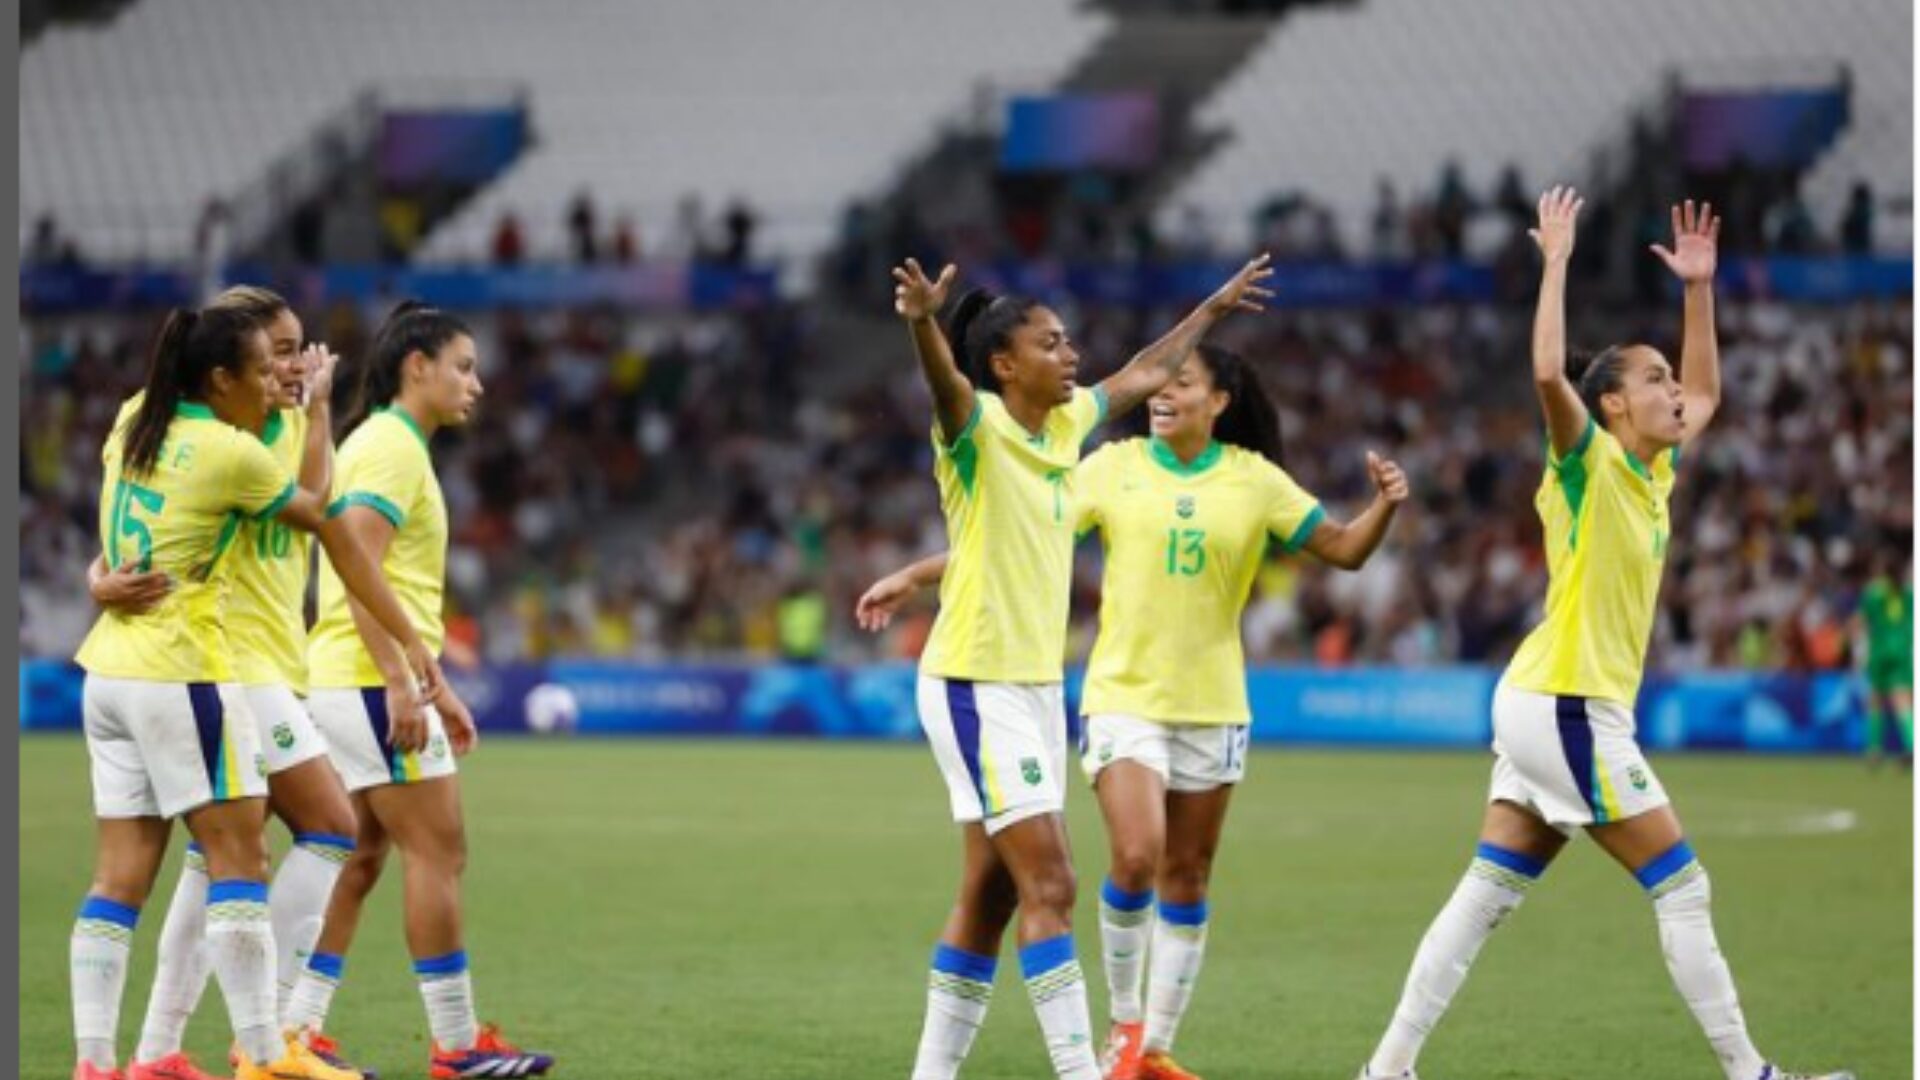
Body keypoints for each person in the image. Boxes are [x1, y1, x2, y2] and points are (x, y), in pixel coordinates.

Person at [1353, 189, 1853, 1080]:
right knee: (1684, 885)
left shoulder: (1652, 474)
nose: (1675, 392)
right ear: (1613, 407)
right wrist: (1555, 263)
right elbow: (1549, 375)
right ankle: (1753, 1075)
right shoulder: (1590, 463)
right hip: (1569, 706)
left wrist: (1698, 291)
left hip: (1546, 700)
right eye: (1653, 379)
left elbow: (1708, 391)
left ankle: (1386, 1069)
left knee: (1486, 892)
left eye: (1668, 377)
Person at [858, 342, 1409, 1080]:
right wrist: (917, 576)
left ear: (1219, 402)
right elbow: (1019, 541)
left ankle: (1152, 1050)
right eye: (1161, 383)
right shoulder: (1111, 467)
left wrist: (1384, 506)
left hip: (1215, 705)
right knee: (1138, 854)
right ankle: (1121, 1030)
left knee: (1189, 874)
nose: (1162, 393)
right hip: (1122, 699)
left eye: (1183, 383)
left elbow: (1343, 549)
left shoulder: (1255, 480)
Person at [884, 253, 1273, 1080]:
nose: (1072, 356)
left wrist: (1213, 307)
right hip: (973, 684)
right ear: (1004, 365)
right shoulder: (973, 428)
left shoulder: (1064, 428)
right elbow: (943, 387)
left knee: (991, 896)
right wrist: (922, 320)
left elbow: (1146, 371)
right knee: (1052, 884)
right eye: (1053, 344)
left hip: (1029, 690)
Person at [70, 303, 443, 1080]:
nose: (288, 368)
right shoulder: (231, 443)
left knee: (149, 871)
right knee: (278, 843)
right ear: (221, 371)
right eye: (271, 356)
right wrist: (408, 643)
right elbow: (326, 524)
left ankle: (129, 1059)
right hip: (211, 666)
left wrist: (101, 573)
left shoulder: (144, 413)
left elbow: (133, 512)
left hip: (117, 669)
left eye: (295, 353)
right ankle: (265, 1049)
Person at [281, 302, 555, 1079]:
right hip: (370, 682)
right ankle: (457, 1046)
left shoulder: (381, 444)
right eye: (463, 366)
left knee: (361, 854)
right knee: (439, 851)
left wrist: (431, 684)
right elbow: (356, 561)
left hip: (353, 677)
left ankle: (294, 1030)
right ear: (417, 367)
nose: (476, 382)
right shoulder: (394, 449)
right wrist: (403, 680)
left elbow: (371, 571)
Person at [1854, 552, 1912, 769]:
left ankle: (1874, 750)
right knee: (1903, 702)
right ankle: (1912, 745)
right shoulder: (1908, 593)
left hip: (1880, 650)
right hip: (1903, 650)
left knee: (1875, 700)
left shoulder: (1874, 592)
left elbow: (1860, 620)